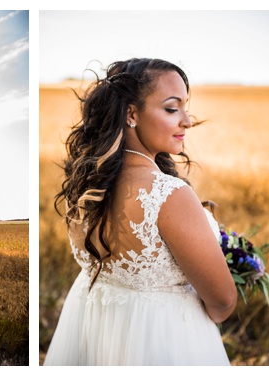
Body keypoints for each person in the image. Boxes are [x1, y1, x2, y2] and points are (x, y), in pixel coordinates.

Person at [43, 58, 237, 365]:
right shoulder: (170, 196)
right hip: (164, 340)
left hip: (96, 330)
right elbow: (223, 301)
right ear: (131, 113)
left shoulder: (85, 187)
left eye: (186, 107)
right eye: (172, 108)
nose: (186, 120)